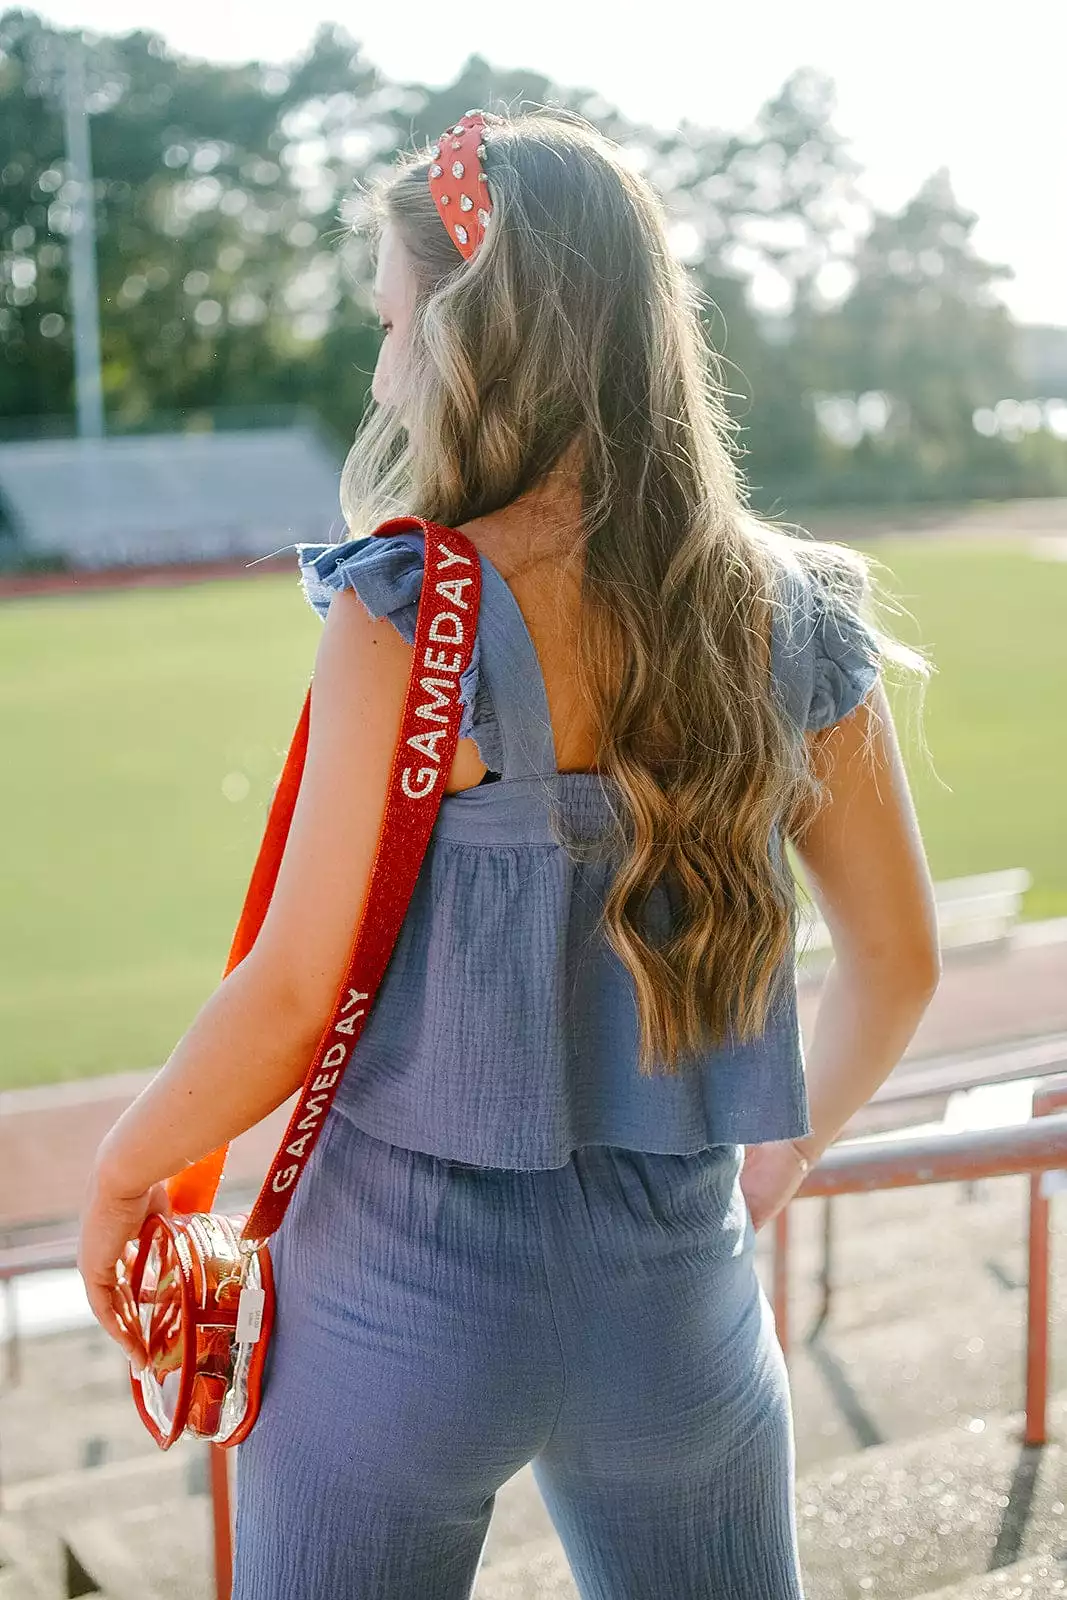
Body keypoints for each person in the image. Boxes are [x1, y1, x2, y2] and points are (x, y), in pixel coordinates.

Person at [79, 106, 941, 1599]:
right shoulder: (794, 612)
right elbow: (900, 964)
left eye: (392, 322)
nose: (379, 367)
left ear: (471, 339)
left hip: (389, 1312)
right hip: (673, 1301)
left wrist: (124, 1173)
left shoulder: (409, 609)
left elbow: (292, 993)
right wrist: (775, 1165)